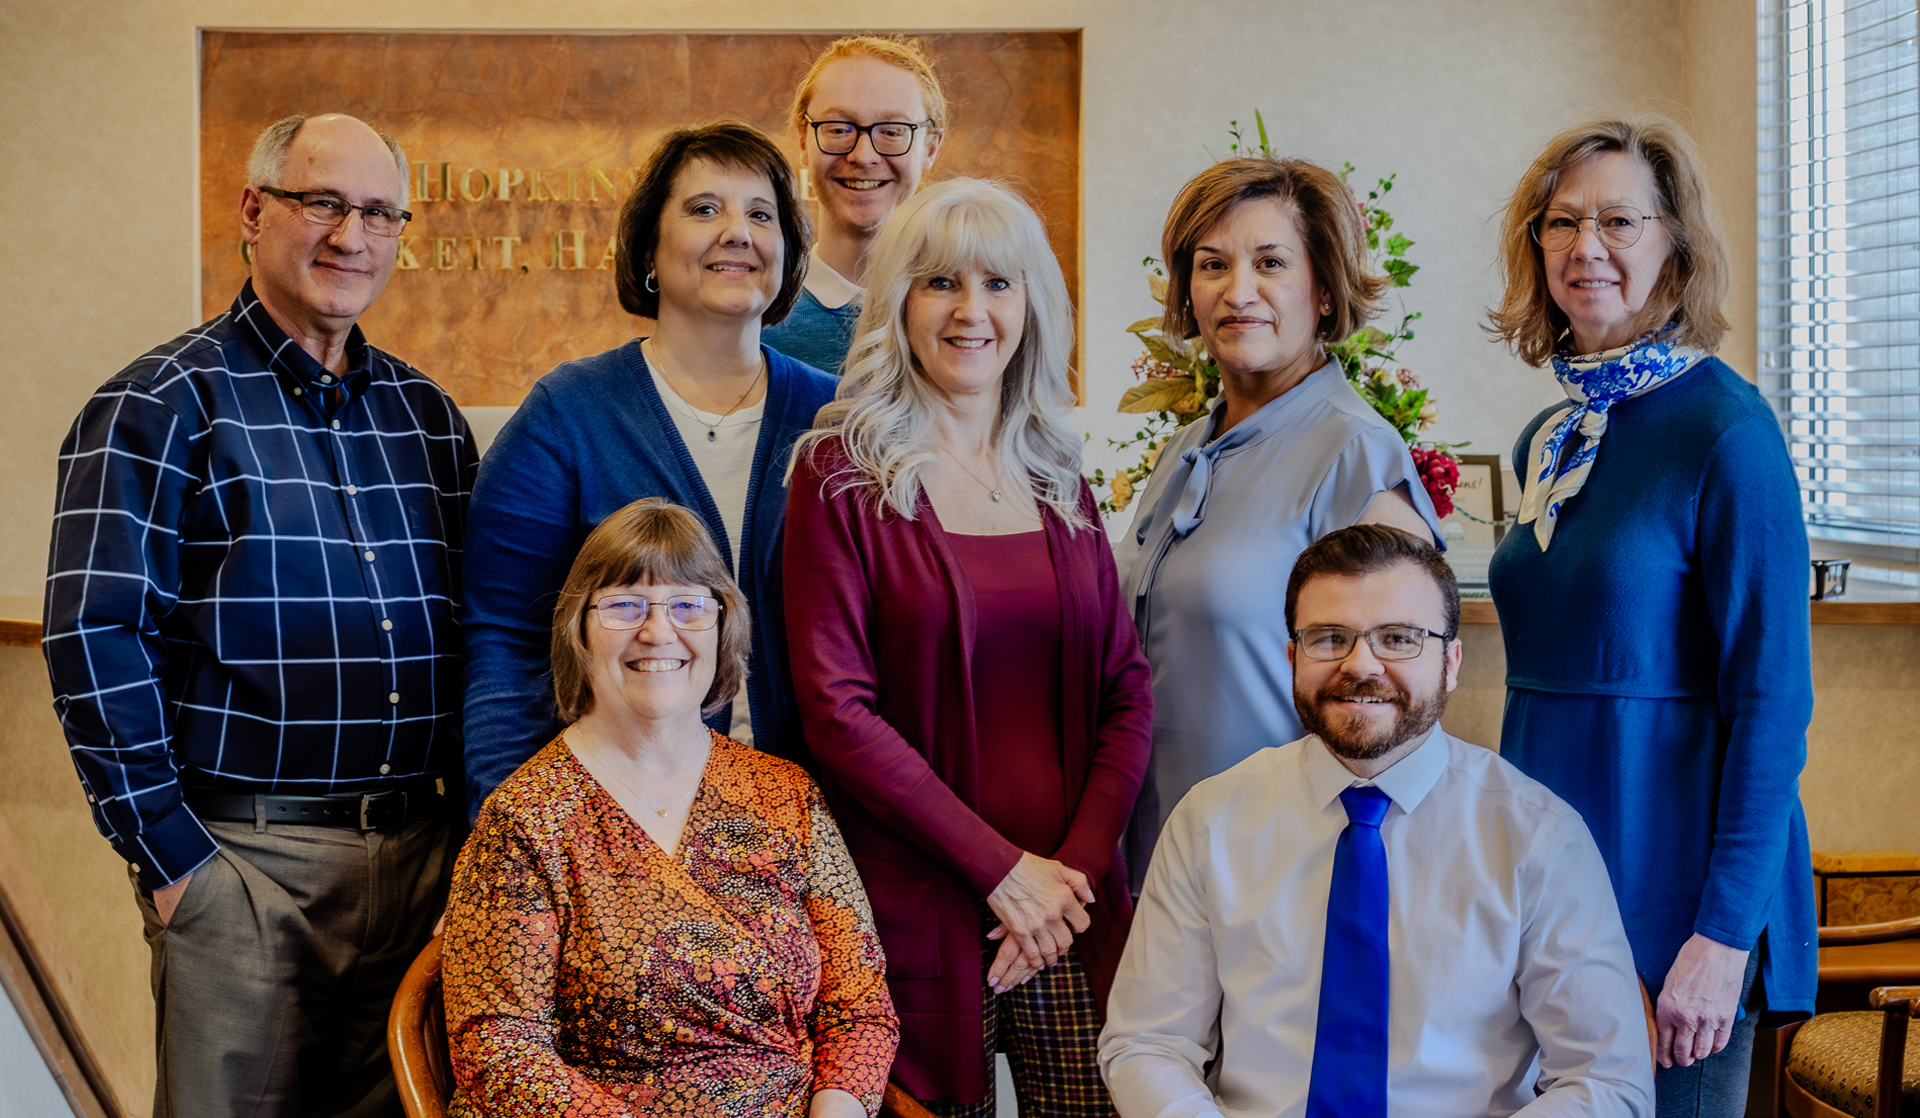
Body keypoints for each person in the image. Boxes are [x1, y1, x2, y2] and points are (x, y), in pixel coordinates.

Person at [42, 113, 473, 1118]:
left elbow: (473, 631)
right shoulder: (159, 402)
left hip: (416, 861)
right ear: (252, 210)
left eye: (377, 212)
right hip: (243, 861)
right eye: (321, 201)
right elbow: (94, 636)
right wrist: (172, 860)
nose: (349, 235)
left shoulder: (426, 418)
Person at [785, 178, 1153, 1116]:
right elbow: (837, 713)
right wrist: (1003, 872)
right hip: (920, 902)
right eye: (940, 282)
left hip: (1069, 907)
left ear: (1032, 305)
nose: (971, 311)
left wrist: (1066, 877)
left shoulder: (1060, 475)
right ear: (899, 302)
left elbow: (1126, 688)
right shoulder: (839, 477)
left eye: (1000, 283)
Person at [1484, 115, 1816, 1117]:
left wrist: (1719, 938)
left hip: (1676, 893)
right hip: (1549, 879)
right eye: (1563, 222)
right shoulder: (1550, 435)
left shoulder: (1729, 431)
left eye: (1620, 221)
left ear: (1675, 242)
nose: (1587, 247)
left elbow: (1773, 704)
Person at [1100, 525, 1655, 1118]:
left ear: (1451, 661)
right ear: (1292, 656)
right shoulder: (1209, 820)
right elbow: (1148, 1042)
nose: (1360, 664)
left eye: (1398, 638)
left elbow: (1607, 1080)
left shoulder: (1537, 835)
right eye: (1329, 637)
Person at [442, 498, 897, 1116]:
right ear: (578, 629)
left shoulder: (786, 794)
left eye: (687, 605)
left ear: (721, 628)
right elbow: (499, 1049)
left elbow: (860, 1005)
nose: (658, 632)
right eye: (624, 605)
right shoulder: (525, 818)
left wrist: (835, 1110)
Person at [462, 121, 837, 812]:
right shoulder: (567, 415)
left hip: (806, 831)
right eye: (704, 209)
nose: (737, 231)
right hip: (619, 824)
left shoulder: (835, 418)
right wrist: (506, 823)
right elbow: (507, 641)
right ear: (649, 255)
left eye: (762, 214)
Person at [1115, 156, 1445, 883]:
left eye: (1270, 262)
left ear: (1324, 291)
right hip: (1159, 855)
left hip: (1284, 868)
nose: (1239, 292)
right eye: (1212, 265)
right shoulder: (1183, 452)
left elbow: (1400, 703)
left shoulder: (1356, 452)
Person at [761, 34, 947, 374]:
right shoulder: (754, 317)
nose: (863, 155)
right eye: (838, 128)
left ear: (930, 148)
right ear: (804, 140)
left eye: (892, 131)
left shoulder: (966, 321)